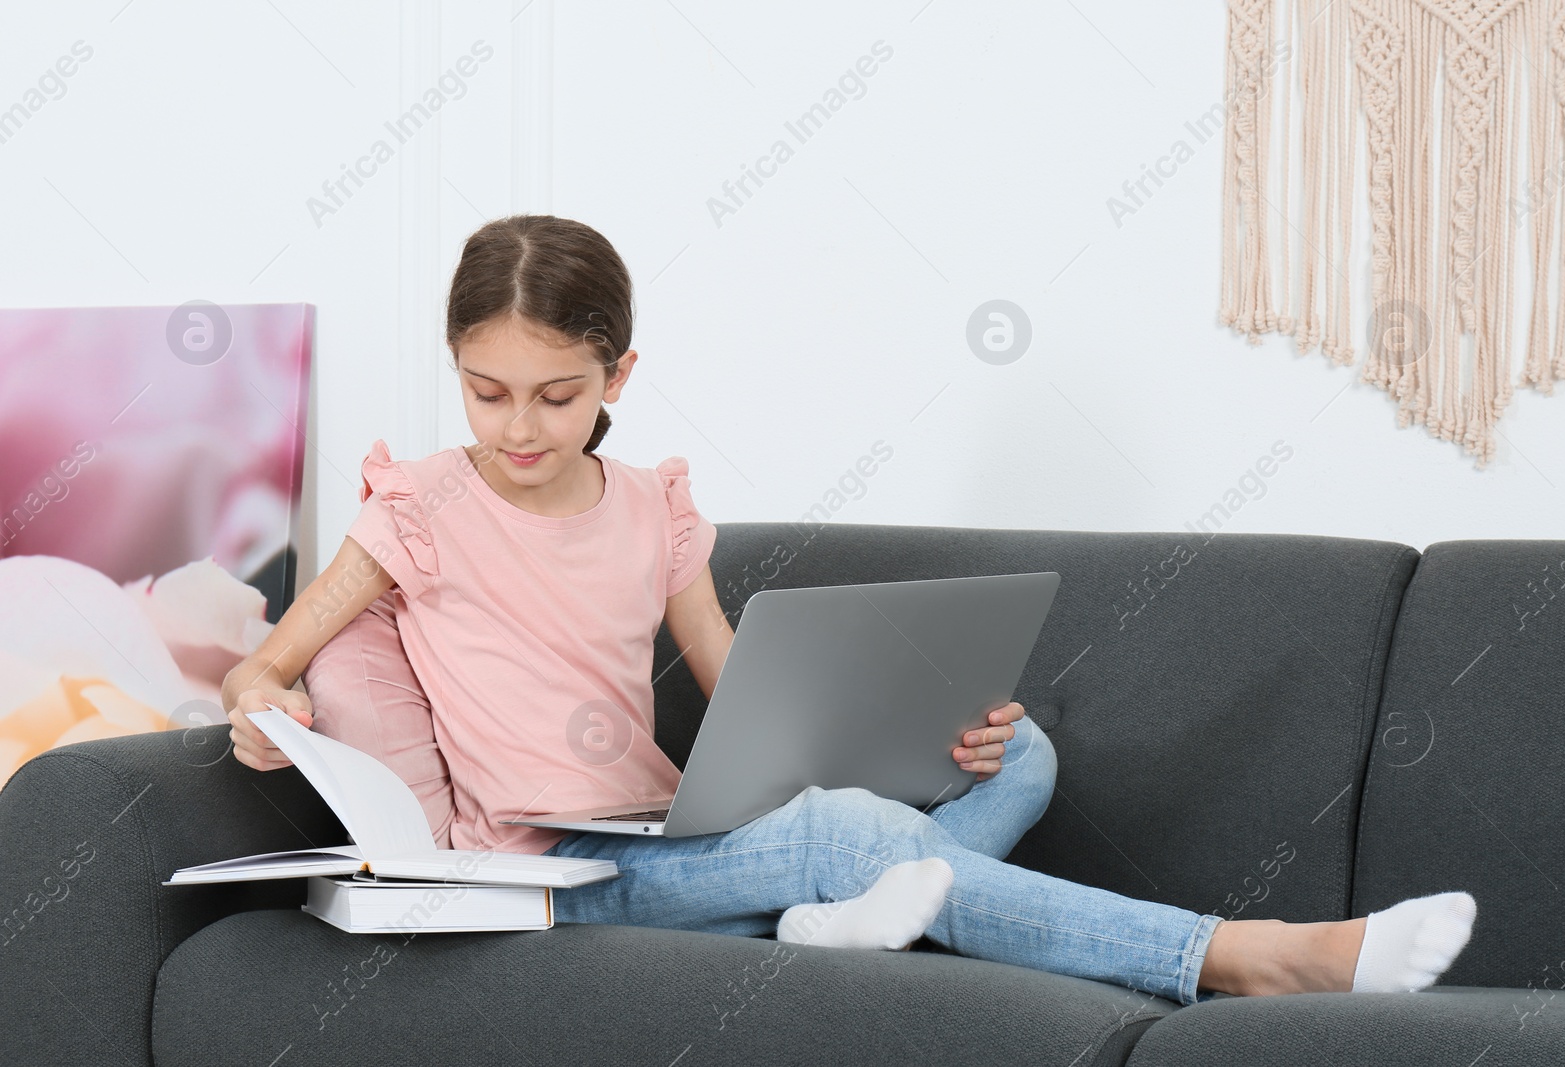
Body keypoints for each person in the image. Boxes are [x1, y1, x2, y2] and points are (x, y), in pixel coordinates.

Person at [222, 214, 1479, 1007]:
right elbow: (265, 663)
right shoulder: (421, 507)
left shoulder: (650, 506)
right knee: (846, 829)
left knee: (1019, 747)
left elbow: (727, 672)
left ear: (617, 375)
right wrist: (264, 705)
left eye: (556, 396)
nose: (517, 429)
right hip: (543, 870)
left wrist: (886, 738)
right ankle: (1249, 952)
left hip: (651, 821)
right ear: (456, 371)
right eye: (487, 392)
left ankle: (818, 919)